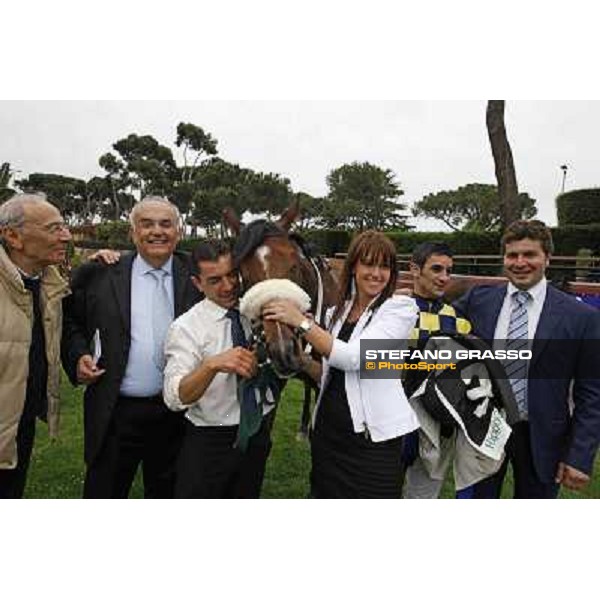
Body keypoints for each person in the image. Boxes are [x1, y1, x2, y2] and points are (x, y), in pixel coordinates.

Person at [61, 196, 201, 498]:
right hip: (114, 412)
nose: (157, 231)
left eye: (166, 224)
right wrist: (78, 357)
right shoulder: (99, 273)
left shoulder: (199, 275)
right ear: (132, 233)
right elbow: (70, 322)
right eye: (147, 224)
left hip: (178, 413)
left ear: (179, 231)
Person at [263, 230, 420, 498]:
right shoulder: (338, 312)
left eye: (384, 266)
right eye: (368, 263)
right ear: (354, 266)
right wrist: (302, 361)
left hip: (373, 441)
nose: (376, 273)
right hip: (329, 436)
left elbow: (352, 358)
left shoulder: (399, 309)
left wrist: (303, 322)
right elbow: (331, 373)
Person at [454, 220, 600, 498]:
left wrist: (580, 455)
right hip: (484, 428)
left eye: (529, 254)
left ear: (547, 257)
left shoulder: (581, 317)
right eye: (512, 255)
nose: (520, 262)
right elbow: (439, 324)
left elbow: (592, 391)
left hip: (544, 435)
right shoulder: (478, 301)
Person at [162, 240, 276, 498]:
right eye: (215, 280)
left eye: (232, 275)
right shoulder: (187, 328)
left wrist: (305, 328)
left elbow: (371, 363)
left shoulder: (387, 314)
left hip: (371, 443)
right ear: (197, 284)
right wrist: (212, 364)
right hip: (212, 443)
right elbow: (173, 398)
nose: (228, 286)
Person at [0, 193, 71, 498]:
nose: (66, 236)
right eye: (54, 228)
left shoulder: (47, 285)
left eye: (64, 227)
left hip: (18, 425)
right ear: (13, 236)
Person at [401, 241, 473, 499]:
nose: (444, 278)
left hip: (436, 426)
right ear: (415, 269)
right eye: (436, 269)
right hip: (393, 421)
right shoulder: (394, 309)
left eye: (448, 271)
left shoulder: (458, 320)